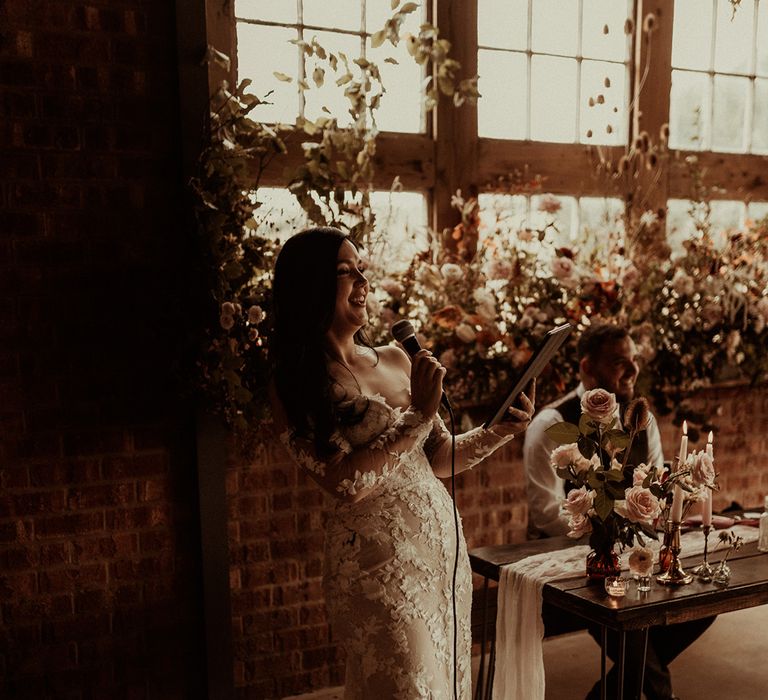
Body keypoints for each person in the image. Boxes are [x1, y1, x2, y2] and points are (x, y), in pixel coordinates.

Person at [269, 227, 535, 699]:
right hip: (377, 569)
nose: (361, 281)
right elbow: (346, 484)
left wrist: (500, 431)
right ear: (310, 285)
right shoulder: (298, 380)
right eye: (343, 271)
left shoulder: (395, 357)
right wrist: (418, 414)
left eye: (361, 268)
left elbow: (438, 457)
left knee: (446, 684)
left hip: (439, 553)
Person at [523, 322, 713, 700]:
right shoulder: (551, 423)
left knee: (702, 600)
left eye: (634, 361)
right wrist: (603, 536)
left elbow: (657, 489)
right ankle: (661, 695)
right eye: (617, 362)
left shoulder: (643, 419)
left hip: (636, 550)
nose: (632, 371)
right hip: (570, 559)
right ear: (586, 369)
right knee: (628, 612)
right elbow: (545, 512)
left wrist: (638, 532)